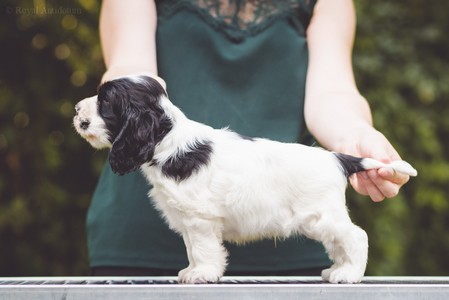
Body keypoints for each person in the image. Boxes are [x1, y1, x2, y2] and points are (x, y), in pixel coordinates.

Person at [87, 0, 410, 276]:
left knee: (325, 221)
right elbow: (130, 67)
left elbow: (332, 90)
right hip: (137, 243)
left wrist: (354, 134)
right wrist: (117, 107)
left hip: (292, 245)